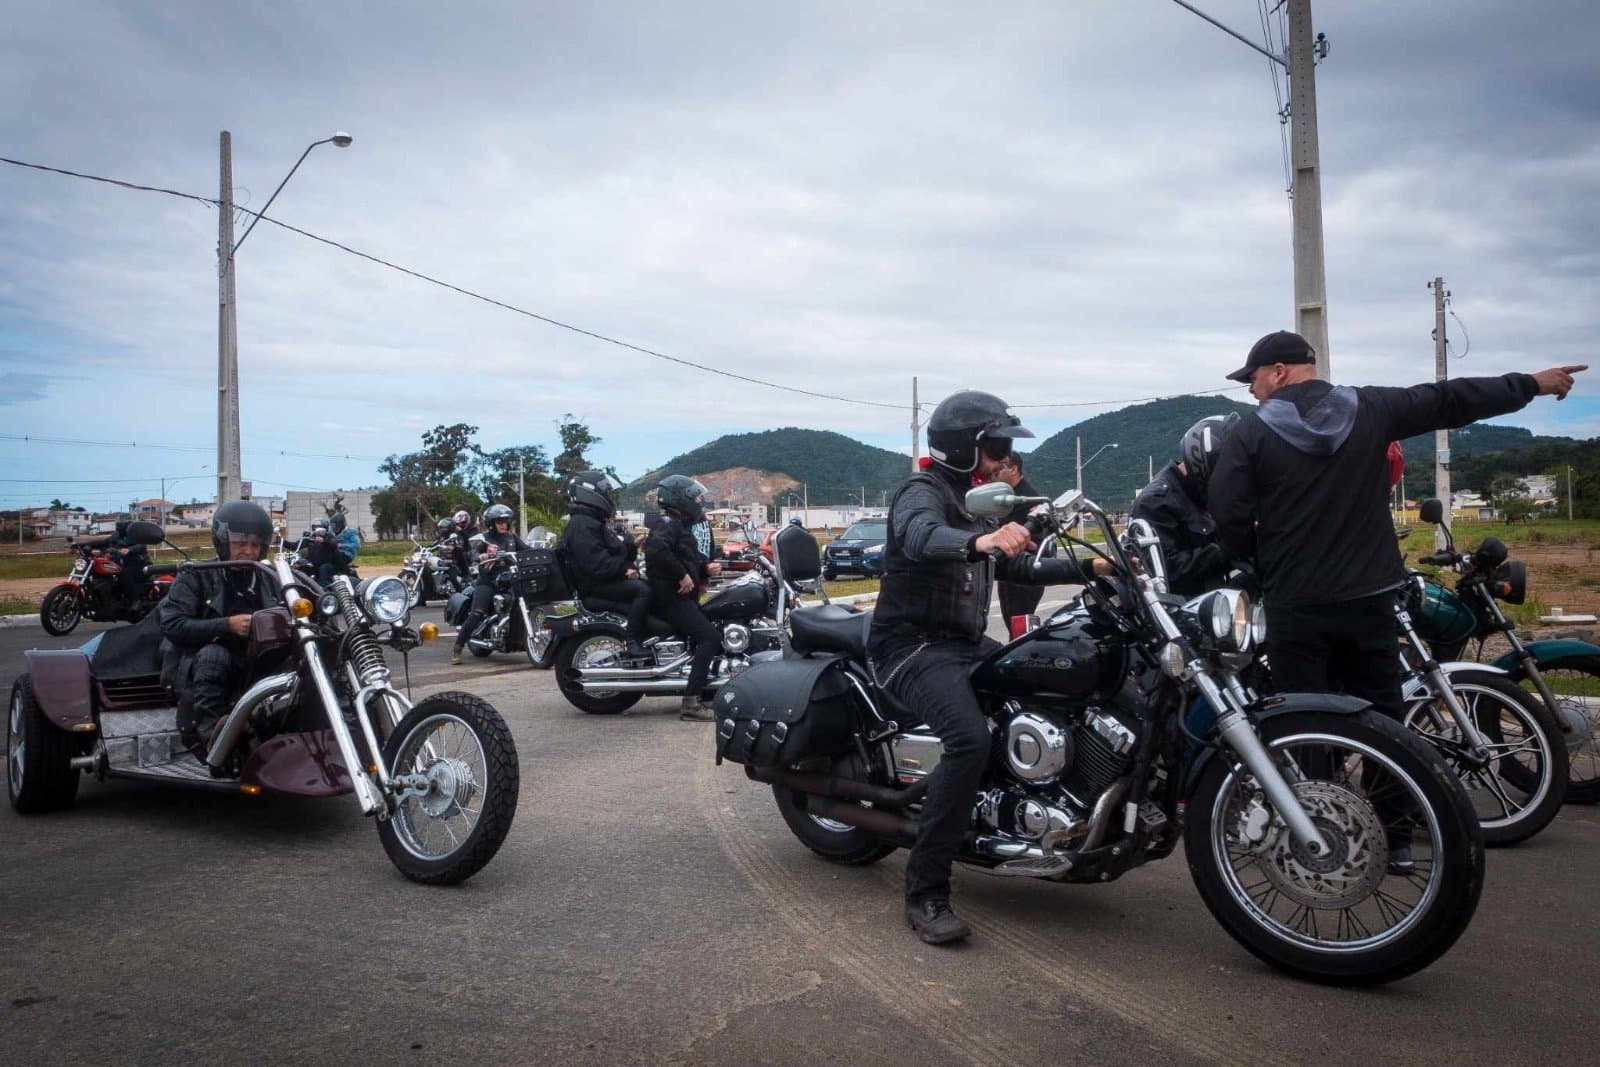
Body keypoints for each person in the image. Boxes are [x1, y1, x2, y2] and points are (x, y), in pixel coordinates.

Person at [1209, 330, 1586, 722]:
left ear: (1280, 371)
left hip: (1295, 600)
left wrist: (1260, 564)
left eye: (1252, 378)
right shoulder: (1371, 407)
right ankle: (1389, 781)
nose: (1251, 389)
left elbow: (1227, 512)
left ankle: (1316, 782)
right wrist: (1529, 384)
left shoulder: (1250, 432)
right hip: (1371, 595)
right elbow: (1449, 399)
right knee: (1384, 713)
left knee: (1305, 716)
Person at [869, 390, 1109, 946]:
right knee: (969, 739)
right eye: (996, 446)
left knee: (1044, 695)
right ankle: (925, 892)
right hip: (911, 646)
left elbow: (1021, 567)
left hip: (963, 642)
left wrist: (1093, 565)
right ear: (963, 447)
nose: (1005, 458)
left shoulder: (981, 497)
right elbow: (920, 537)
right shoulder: (921, 492)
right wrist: (981, 540)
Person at [159, 500, 281, 754]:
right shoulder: (196, 575)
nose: (248, 551)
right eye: (240, 543)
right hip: (197, 662)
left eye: (255, 545)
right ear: (223, 542)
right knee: (214, 656)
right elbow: (172, 625)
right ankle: (212, 734)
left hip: (254, 659)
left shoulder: (269, 578)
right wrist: (227, 625)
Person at [1130, 414, 1239, 597]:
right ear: (1204, 460)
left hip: (1213, 603)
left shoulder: (1199, 495)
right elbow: (1167, 571)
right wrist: (1232, 548)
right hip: (1179, 613)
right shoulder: (1157, 501)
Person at [643, 475, 723, 720]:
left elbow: (684, 555)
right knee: (710, 637)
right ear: (680, 498)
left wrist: (703, 568)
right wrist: (682, 576)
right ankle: (691, 702)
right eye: (694, 497)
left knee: (710, 627)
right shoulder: (669, 522)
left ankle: (706, 687)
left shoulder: (678, 523)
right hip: (671, 597)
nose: (698, 500)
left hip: (679, 596)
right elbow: (656, 550)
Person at [561, 471, 653, 660]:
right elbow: (596, 562)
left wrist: (631, 545)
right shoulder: (581, 524)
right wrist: (623, 569)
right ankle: (632, 641)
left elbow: (609, 553)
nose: (607, 497)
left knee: (651, 587)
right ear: (590, 494)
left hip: (602, 582)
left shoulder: (592, 521)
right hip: (595, 587)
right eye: (605, 492)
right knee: (643, 590)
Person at [451, 503, 527, 664]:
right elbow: (472, 553)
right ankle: (458, 647)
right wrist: (480, 556)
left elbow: (527, 550)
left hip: (510, 580)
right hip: (488, 581)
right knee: (477, 613)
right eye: (499, 521)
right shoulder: (485, 539)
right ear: (491, 523)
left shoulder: (512, 538)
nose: (503, 524)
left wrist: (545, 552)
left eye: (505, 521)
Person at [992, 453, 1046, 626]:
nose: (996, 472)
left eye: (1001, 468)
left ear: (1014, 469)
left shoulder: (1028, 499)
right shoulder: (1008, 498)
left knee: (1020, 625)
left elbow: (1036, 543)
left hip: (1024, 573)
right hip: (1009, 570)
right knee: (1013, 623)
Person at [326, 511, 360, 583]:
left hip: (347, 554)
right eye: (333, 526)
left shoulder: (351, 532)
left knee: (337, 555)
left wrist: (341, 545)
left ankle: (346, 573)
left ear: (341, 524)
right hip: (334, 553)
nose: (334, 529)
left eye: (336, 527)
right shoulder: (330, 533)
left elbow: (356, 545)